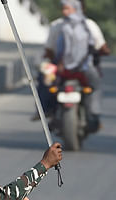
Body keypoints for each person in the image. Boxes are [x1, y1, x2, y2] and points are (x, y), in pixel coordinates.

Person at [37, 0, 102, 128]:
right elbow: (99, 46)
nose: (65, 12)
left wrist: (53, 63)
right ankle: (94, 113)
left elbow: (49, 50)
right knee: (96, 85)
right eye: (64, 8)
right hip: (84, 69)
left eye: (67, 8)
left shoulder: (57, 25)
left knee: (44, 80)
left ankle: (44, 110)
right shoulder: (89, 25)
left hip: (60, 70)